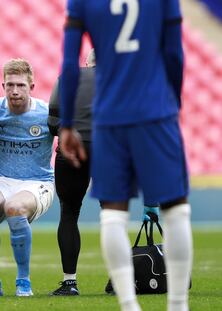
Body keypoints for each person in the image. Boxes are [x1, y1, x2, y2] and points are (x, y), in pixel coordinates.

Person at [59, 1, 192, 311]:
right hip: (155, 109)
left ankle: (129, 305)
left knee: (113, 214)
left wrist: (67, 123)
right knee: (175, 210)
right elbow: (174, 54)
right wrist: (172, 101)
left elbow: (69, 63)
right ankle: (177, 305)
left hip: (109, 116)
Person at [0, 58, 55, 297]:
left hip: (37, 182)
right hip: (1, 178)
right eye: (10, 85)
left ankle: (23, 280)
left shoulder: (47, 114)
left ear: (31, 87)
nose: (14, 91)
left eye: (21, 85)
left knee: (14, 207)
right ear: (3, 86)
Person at [47, 49, 95, 296]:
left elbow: (53, 122)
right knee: (113, 214)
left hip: (71, 151)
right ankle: (120, 280)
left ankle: (70, 282)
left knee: (69, 213)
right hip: (109, 150)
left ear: (87, 62)